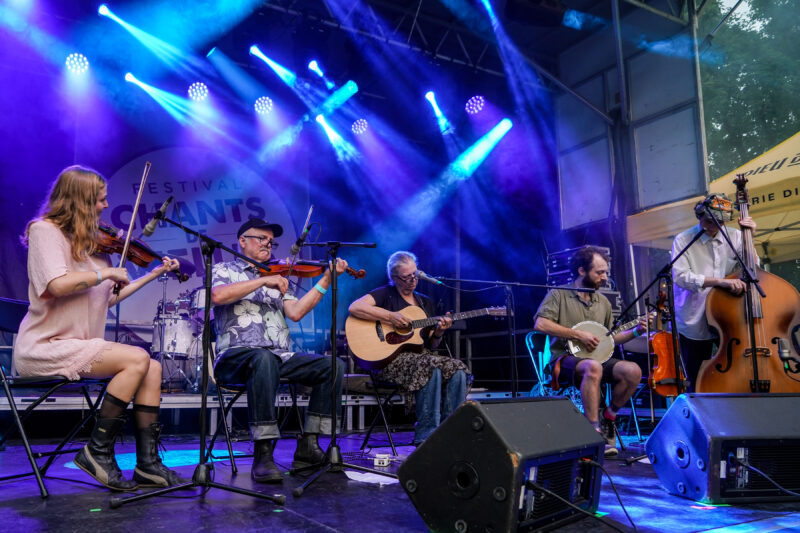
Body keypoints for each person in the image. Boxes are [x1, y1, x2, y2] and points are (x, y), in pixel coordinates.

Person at [13, 165, 186, 491]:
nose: (105, 207)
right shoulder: (44, 231)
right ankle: (97, 451)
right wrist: (104, 275)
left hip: (80, 346)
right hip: (45, 347)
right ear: (79, 200)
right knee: (136, 358)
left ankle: (148, 464)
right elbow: (56, 285)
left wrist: (152, 274)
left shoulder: (95, 247)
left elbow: (105, 301)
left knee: (152, 367)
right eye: (100, 200)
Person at [211, 218, 347, 484]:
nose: (268, 244)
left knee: (332, 366)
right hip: (235, 355)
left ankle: (309, 445)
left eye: (271, 242)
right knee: (263, 358)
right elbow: (217, 296)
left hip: (277, 356)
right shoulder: (225, 269)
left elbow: (295, 312)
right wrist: (262, 281)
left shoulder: (277, 275)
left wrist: (326, 280)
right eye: (261, 239)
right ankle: (263, 453)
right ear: (242, 241)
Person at [348, 251, 471, 446]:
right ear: (395, 278)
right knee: (431, 365)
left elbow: (430, 345)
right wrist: (391, 317)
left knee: (457, 368)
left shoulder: (425, 302)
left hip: (421, 358)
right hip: (389, 362)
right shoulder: (385, 294)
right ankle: (427, 435)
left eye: (415, 274)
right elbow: (354, 307)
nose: (413, 280)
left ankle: (451, 431)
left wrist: (438, 333)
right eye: (407, 277)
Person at [533, 245, 644, 456]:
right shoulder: (559, 294)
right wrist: (578, 335)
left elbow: (610, 339)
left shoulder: (603, 302)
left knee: (633, 371)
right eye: (599, 272)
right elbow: (540, 324)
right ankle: (592, 431)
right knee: (593, 367)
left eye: (605, 272)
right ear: (582, 271)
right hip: (564, 360)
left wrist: (636, 332)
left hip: (595, 360)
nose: (604, 277)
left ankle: (609, 417)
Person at [672, 193, 757, 389]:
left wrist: (749, 238)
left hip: (728, 314)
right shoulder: (684, 240)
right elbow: (681, 277)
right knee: (696, 377)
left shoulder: (736, 236)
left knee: (738, 369)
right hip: (694, 316)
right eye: (709, 221)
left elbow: (754, 270)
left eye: (719, 222)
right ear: (699, 215)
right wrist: (720, 282)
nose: (713, 227)